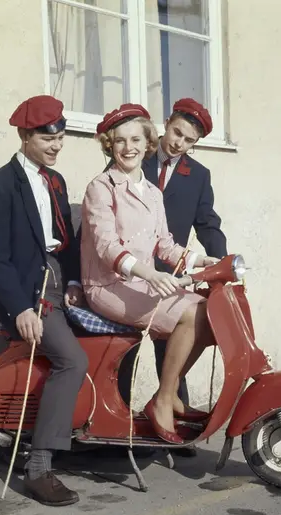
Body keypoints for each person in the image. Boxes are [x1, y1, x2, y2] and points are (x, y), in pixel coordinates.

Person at [80, 103, 218, 443]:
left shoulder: (153, 193)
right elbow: (106, 246)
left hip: (141, 282)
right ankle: (164, 400)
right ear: (110, 145)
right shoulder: (101, 187)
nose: (128, 148)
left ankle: (166, 394)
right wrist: (150, 274)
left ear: (147, 143)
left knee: (211, 313)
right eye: (120, 141)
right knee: (193, 313)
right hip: (107, 285)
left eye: (135, 140)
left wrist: (202, 261)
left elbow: (164, 244)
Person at [0, 95, 88, 507]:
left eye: (60, 137)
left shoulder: (55, 181)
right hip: (28, 293)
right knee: (72, 360)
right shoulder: (0, 187)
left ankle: (97, 433)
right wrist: (21, 307)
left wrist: (73, 281)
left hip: (59, 284)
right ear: (25, 135)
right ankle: (39, 468)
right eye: (47, 138)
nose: (56, 145)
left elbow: (65, 242)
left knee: (117, 337)